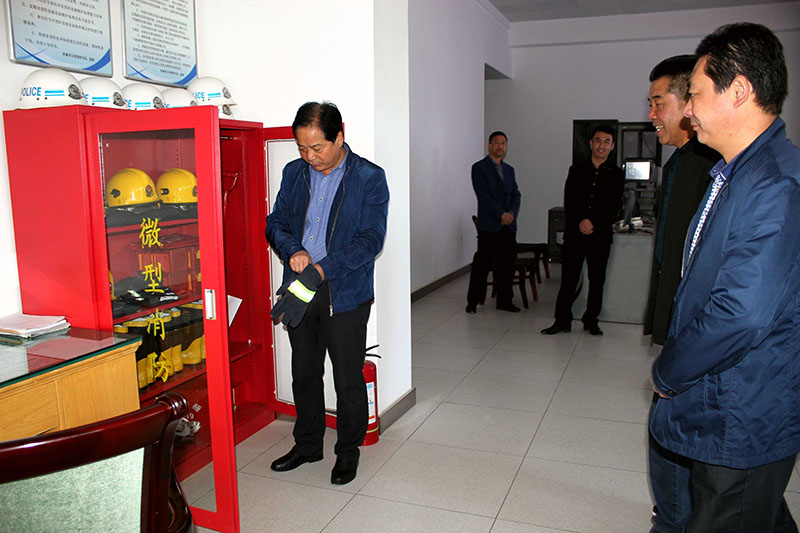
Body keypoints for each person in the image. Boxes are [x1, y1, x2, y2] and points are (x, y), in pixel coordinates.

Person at [650, 23, 800, 532]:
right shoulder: (737, 173)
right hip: (727, 396)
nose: (687, 110)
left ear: (739, 90)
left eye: (694, 94)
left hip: (743, 407)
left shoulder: (773, 183)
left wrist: (670, 371)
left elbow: (742, 312)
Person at [265, 101, 389, 486]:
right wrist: (293, 251)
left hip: (345, 293)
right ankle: (307, 445)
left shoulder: (368, 177)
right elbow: (276, 222)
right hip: (300, 287)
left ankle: (347, 451)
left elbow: (371, 240)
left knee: (347, 378)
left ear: (339, 137)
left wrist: (322, 269)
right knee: (304, 373)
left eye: (317, 147)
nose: (309, 157)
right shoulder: (294, 173)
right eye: (302, 148)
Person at [642, 55, 721, 533]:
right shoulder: (681, 164)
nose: (652, 114)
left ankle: (673, 522)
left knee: (672, 434)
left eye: (658, 102)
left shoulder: (715, 168)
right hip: (681, 328)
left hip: (701, 335)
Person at [542, 125, 624, 336]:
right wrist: (582, 221)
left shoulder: (616, 174)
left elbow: (614, 206)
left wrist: (593, 223)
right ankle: (562, 321)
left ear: (612, 146)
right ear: (590, 143)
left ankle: (591, 321)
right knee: (569, 279)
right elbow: (570, 200)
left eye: (606, 142)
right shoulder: (576, 170)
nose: (601, 145)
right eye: (598, 140)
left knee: (597, 281)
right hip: (576, 235)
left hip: (600, 235)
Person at [466, 131, 522, 313]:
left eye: (503, 143)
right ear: (489, 146)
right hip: (489, 225)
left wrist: (511, 213)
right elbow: (483, 196)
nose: (500, 146)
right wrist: (501, 214)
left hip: (508, 226)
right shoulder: (479, 168)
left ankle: (505, 301)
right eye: (496, 143)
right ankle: (473, 302)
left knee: (507, 265)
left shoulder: (509, 170)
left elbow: (516, 194)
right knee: (482, 264)